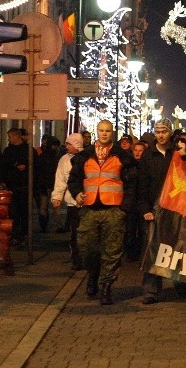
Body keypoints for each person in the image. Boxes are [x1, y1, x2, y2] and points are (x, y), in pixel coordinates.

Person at [67, 120, 137, 305]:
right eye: (101, 130)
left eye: (107, 131)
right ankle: (93, 274)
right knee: (87, 248)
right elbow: (73, 179)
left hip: (114, 210)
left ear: (112, 132)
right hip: (90, 209)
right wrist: (77, 194)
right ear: (96, 131)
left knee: (112, 251)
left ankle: (106, 286)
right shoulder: (85, 156)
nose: (104, 134)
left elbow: (131, 185)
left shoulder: (122, 156)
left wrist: (124, 209)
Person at [138, 118, 177, 302]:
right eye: (158, 132)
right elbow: (142, 184)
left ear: (170, 133)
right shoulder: (148, 156)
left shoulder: (176, 153)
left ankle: (180, 284)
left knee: (177, 246)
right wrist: (145, 208)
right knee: (152, 248)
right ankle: (151, 289)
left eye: (164, 131)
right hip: (154, 206)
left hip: (175, 206)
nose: (161, 135)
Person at [51, 134, 85, 270]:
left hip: (86, 203)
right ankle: (77, 260)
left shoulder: (86, 158)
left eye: (69, 144)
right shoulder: (64, 160)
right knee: (75, 233)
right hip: (72, 203)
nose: (66, 146)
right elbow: (60, 180)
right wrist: (57, 197)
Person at [2, 127, 36, 245]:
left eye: (10, 137)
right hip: (12, 186)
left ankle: (25, 234)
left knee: (25, 211)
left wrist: (25, 167)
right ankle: (16, 235)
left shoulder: (28, 150)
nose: (9, 139)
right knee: (14, 212)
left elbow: (35, 166)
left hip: (25, 185)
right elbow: (4, 167)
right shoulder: (7, 151)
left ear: (17, 136)